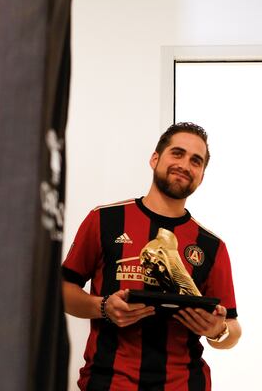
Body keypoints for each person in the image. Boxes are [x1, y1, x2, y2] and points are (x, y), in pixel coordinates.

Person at [62, 122, 241, 391]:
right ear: (155, 159)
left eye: (196, 160)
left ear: (201, 175)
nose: (185, 164)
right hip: (109, 383)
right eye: (177, 153)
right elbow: (63, 290)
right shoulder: (105, 219)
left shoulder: (212, 245)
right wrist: (103, 307)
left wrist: (217, 331)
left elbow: (232, 327)